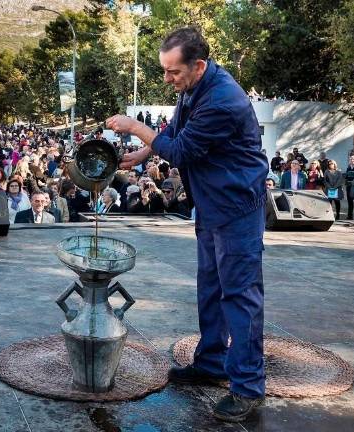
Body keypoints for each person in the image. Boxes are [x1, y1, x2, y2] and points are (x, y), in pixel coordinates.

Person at [106, 27, 268, 421]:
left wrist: (134, 127)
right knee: (210, 287)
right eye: (164, 71)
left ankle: (248, 387)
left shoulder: (224, 100)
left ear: (197, 65)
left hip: (237, 207)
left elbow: (181, 150)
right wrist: (144, 151)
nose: (167, 79)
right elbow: (175, 131)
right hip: (212, 204)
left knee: (240, 295)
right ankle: (212, 362)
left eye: (172, 72)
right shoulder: (194, 86)